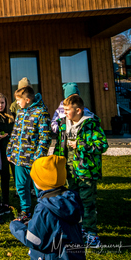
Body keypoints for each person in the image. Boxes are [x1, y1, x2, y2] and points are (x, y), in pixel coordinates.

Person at [54, 94, 108, 248]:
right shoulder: (64, 124)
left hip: (86, 171)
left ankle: (91, 234)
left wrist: (81, 145)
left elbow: (102, 145)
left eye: (67, 110)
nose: (64, 113)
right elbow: (59, 146)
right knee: (73, 200)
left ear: (78, 110)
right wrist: (57, 161)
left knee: (87, 202)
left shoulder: (91, 124)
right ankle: (77, 230)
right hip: (70, 171)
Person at [10, 155, 86, 260]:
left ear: (41, 180)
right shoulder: (71, 199)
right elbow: (56, 224)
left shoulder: (44, 207)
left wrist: (16, 226)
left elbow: (35, 240)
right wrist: (34, 223)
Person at [6, 85, 51, 223]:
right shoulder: (20, 112)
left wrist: (38, 156)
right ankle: (25, 211)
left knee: (38, 188)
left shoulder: (41, 113)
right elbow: (15, 133)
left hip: (34, 160)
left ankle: (41, 210)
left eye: (19, 100)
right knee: (21, 186)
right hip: (18, 159)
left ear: (27, 99)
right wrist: (10, 150)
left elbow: (45, 137)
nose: (17, 103)